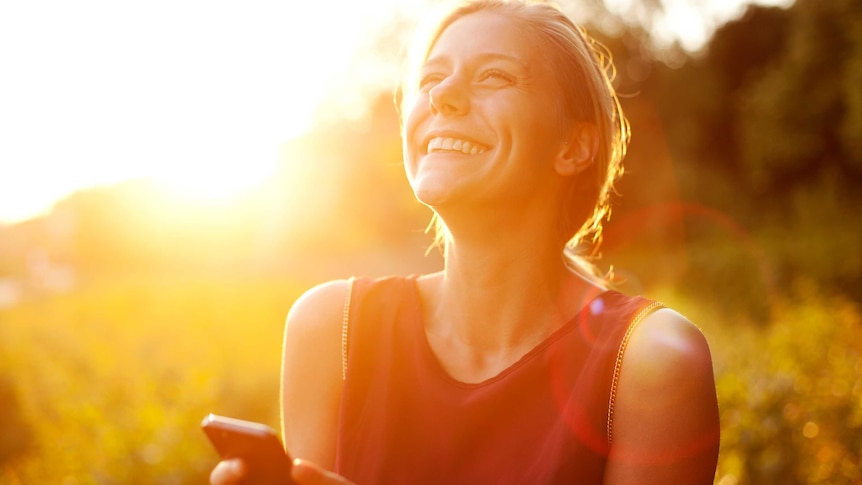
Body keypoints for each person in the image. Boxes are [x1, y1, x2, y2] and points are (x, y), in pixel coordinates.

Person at [211, 0, 720, 483]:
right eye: (430, 78)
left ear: (574, 145)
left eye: (492, 76)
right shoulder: (330, 331)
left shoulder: (652, 363)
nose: (440, 96)